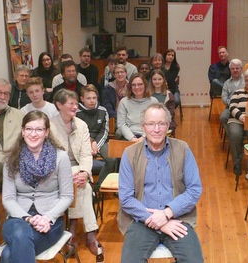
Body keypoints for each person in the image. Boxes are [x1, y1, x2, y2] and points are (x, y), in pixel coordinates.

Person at [118, 103, 203, 262]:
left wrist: (166, 214)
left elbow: (194, 190)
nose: (156, 129)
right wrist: (159, 222)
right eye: (151, 124)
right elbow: (126, 198)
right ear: (143, 127)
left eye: (161, 124)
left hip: (178, 218)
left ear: (168, 126)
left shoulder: (183, 149)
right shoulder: (129, 154)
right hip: (140, 220)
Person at [0, 110, 74, 263]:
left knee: (8, 255)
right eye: (29, 129)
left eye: (39, 129)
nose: (33, 134)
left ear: (46, 132)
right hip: (18, 217)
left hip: (50, 220)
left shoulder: (60, 157)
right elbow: (7, 198)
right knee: (20, 232)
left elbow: (67, 196)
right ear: (22, 131)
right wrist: (28, 218)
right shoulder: (11, 159)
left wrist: (47, 217)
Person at [49, 89, 102, 255]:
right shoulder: (49, 126)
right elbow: (50, 157)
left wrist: (85, 173)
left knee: (82, 185)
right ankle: (90, 233)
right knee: (83, 188)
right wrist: (70, 174)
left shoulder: (81, 125)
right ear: (59, 105)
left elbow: (86, 154)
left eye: (75, 103)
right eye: (70, 103)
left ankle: (72, 227)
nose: (75, 106)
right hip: (57, 173)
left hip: (80, 170)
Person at [76, 85, 116, 187]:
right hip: (82, 140)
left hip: (99, 140)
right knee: (80, 159)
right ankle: (85, 184)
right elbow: (77, 132)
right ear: (82, 99)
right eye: (88, 98)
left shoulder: (103, 111)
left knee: (112, 159)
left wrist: (96, 144)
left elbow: (104, 131)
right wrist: (90, 142)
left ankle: (98, 186)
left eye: (94, 98)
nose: (92, 101)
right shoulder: (76, 112)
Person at [116, 74, 159, 141]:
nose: (137, 87)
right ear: (130, 87)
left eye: (140, 84)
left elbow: (156, 122)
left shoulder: (153, 102)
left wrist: (144, 137)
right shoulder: (124, 102)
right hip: (128, 136)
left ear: (145, 85)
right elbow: (121, 124)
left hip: (149, 135)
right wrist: (132, 138)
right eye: (133, 85)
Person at [220, 58, 245, 134]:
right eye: (233, 68)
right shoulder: (227, 83)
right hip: (230, 107)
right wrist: (232, 104)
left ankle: (242, 134)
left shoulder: (247, 80)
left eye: (237, 68)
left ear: (241, 69)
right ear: (230, 70)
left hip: (245, 107)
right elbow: (224, 97)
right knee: (223, 117)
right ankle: (231, 136)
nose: (235, 70)